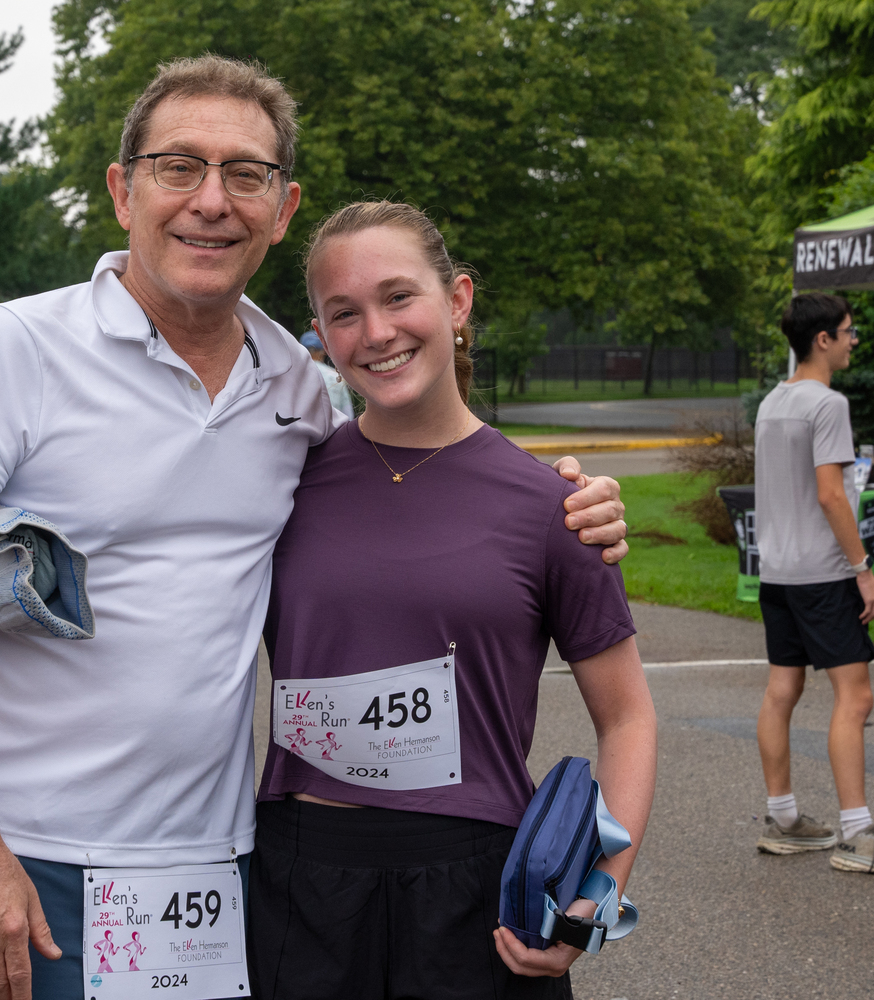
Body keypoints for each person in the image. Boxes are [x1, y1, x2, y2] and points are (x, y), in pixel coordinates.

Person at [0, 55, 628, 1000]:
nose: (210, 200)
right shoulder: (21, 346)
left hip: (222, 868)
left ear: (284, 206)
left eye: (245, 174)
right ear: (122, 189)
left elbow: (413, 491)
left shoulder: (300, 391)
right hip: (36, 858)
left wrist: (571, 503)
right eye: (179, 166)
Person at [250, 202, 657, 1000]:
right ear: (320, 335)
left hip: (479, 892)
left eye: (399, 296)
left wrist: (598, 892)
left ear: (458, 300)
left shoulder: (556, 506)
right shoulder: (277, 481)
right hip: (302, 877)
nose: (376, 332)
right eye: (345, 313)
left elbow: (628, 717)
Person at [752, 292, 874, 873]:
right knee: (857, 697)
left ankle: (784, 820)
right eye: (849, 331)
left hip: (776, 571)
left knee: (784, 690)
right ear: (822, 339)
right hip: (822, 573)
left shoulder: (773, 402)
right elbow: (830, 494)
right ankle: (858, 834)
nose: (854, 340)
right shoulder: (827, 404)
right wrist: (863, 570)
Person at [299, 329, 353, 418]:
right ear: (324, 350)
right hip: (334, 430)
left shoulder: (293, 374)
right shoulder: (336, 375)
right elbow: (347, 414)